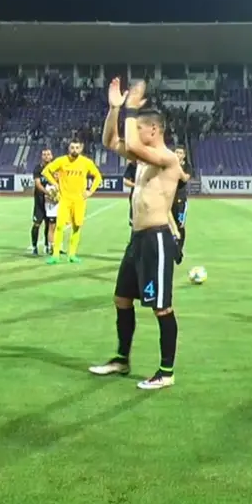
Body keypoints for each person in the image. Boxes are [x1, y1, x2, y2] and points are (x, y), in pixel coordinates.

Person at [90, 79, 182, 390]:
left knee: (161, 307)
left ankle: (166, 371)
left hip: (156, 239)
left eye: (140, 128)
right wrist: (115, 109)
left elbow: (129, 144)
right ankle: (121, 358)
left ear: (153, 130)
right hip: (137, 239)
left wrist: (130, 107)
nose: (135, 132)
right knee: (121, 299)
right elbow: (109, 141)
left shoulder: (167, 158)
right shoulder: (143, 160)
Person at [41, 140, 103, 264]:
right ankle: (55, 255)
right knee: (59, 226)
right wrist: (55, 184)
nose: (74, 150)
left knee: (77, 226)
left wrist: (90, 191)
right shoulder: (61, 161)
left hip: (79, 200)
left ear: (81, 149)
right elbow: (46, 171)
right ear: (69, 148)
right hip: (65, 199)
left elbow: (98, 177)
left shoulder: (86, 162)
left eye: (77, 147)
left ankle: (72, 255)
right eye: (72, 147)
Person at [30, 148, 55, 256]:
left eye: (48, 154)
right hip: (40, 201)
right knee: (37, 224)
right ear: (41, 156)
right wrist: (47, 192)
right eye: (44, 154)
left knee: (49, 224)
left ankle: (47, 246)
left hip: (51, 202)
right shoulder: (38, 169)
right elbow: (38, 184)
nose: (46, 156)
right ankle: (34, 246)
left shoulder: (55, 168)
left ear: (51, 156)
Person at [171, 147, 191, 264]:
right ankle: (171, 248)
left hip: (181, 200)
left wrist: (177, 167)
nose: (178, 155)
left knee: (180, 225)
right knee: (168, 225)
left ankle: (179, 250)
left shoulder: (187, 167)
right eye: (176, 152)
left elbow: (184, 178)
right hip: (169, 199)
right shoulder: (169, 165)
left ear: (184, 155)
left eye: (180, 153)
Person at [123, 160, 137, 226]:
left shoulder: (149, 164)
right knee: (134, 221)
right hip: (135, 195)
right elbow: (126, 181)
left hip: (149, 195)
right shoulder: (132, 165)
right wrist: (136, 185)